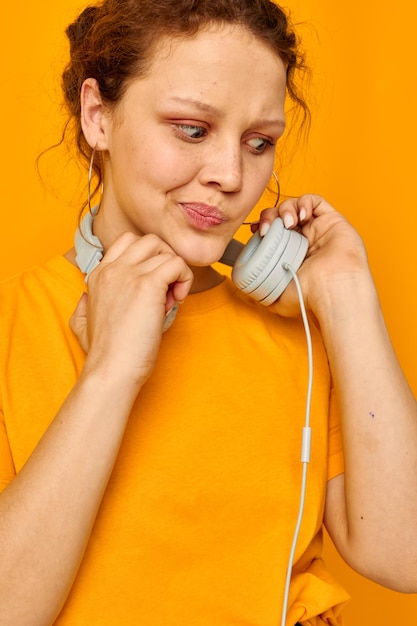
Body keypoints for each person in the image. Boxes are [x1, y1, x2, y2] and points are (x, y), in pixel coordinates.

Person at [0, 0, 416, 624]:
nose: (230, 175)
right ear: (98, 116)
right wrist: (111, 371)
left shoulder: (299, 326)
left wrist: (346, 294)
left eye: (259, 143)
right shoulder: (16, 319)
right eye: (192, 129)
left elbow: (404, 555)